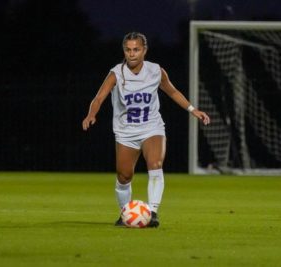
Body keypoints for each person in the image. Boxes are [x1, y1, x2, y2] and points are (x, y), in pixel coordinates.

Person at [82, 32, 210, 227]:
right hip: (126, 131)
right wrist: (91, 114)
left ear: (144, 50)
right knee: (124, 175)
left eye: (136, 49)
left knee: (155, 163)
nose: (132, 54)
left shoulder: (156, 71)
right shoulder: (116, 73)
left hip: (152, 127)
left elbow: (173, 91)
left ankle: (154, 212)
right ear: (124, 51)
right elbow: (99, 98)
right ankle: (126, 214)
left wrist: (193, 110)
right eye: (128, 49)